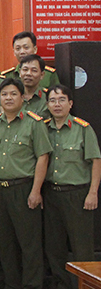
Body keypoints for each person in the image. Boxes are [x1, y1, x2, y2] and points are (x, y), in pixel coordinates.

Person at [0, 78, 52, 289]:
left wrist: (36, 190)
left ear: (23, 97)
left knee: (29, 243)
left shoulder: (34, 123)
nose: (8, 98)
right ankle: (12, 284)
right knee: (5, 244)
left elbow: (43, 157)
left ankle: (32, 285)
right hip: (1, 190)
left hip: (24, 188)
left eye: (13, 94)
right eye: (4, 94)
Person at [43, 85, 101, 289]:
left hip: (77, 194)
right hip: (51, 194)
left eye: (61, 100)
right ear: (47, 105)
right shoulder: (44, 129)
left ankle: (87, 285)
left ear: (70, 103)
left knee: (82, 247)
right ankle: (61, 284)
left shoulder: (83, 128)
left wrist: (93, 192)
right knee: (54, 246)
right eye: (52, 100)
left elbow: (95, 161)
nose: (57, 104)